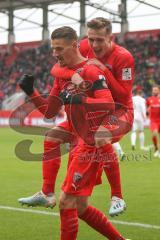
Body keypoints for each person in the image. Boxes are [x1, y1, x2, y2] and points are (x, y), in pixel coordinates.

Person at [19, 26, 131, 240]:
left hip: (90, 140)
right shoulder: (61, 74)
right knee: (80, 206)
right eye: (53, 49)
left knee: (67, 203)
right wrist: (31, 92)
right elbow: (49, 112)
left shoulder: (90, 70)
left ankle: (115, 196)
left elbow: (108, 104)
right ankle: (46, 192)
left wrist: (81, 99)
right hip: (75, 131)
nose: (55, 54)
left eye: (59, 49)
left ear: (74, 45)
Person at [130, 85, 147, 150]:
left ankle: (133, 144)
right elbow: (143, 108)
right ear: (141, 92)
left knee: (133, 131)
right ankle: (142, 146)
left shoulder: (132, 98)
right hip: (140, 117)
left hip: (134, 116)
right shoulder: (142, 99)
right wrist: (145, 117)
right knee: (140, 131)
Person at [146, 85, 160, 158]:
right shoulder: (149, 99)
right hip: (153, 121)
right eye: (153, 90)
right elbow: (147, 110)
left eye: (156, 90)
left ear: (158, 91)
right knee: (154, 134)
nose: (154, 91)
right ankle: (156, 149)